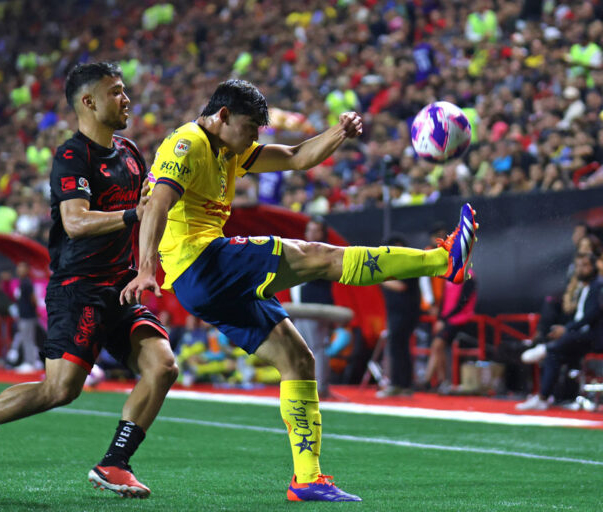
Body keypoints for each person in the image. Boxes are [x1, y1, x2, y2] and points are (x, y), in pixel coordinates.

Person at [121, 79, 478, 502]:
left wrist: (339, 132)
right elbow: (157, 205)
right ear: (223, 116)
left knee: (297, 359)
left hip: (204, 281)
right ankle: (442, 262)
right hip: (202, 262)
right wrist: (146, 270)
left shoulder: (229, 148)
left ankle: (307, 479)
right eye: (250, 128)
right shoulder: (187, 144)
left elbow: (296, 157)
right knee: (319, 256)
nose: (253, 139)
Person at [0, 62, 176, 499]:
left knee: (163, 366)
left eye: (124, 90)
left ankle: (115, 463)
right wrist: (134, 213)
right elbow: (76, 222)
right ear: (89, 102)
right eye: (116, 92)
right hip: (78, 288)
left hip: (120, 286)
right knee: (60, 390)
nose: (126, 99)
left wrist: (144, 268)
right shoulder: (72, 156)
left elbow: (145, 217)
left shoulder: (131, 152)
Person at [517, 252, 603, 410]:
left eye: (585, 265)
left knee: (564, 339)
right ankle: (543, 398)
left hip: (593, 337)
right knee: (554, 355)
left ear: (594, 266)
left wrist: (566, 329)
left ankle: (545, 348)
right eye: (578, 266)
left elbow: (591, 316)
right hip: (578, 337)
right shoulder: (582, 288)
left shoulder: (599, 286)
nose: (581, 269)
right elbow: (577, 316)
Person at [290, 216, 336, 397]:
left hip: (316, 305)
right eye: (310, 230)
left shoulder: (325, 251)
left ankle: (320, 387)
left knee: (317, 346)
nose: (312, 234)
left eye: (316, 230)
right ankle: (305, 384)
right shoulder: (304, 250)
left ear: (323, 233)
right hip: (302, 307)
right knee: (303, 347)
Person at [376, 236, 421, 398]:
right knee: (399, 347)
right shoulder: (394, 266)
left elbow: (401, 286)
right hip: (396, 312)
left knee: (398, 347)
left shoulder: (407, 263)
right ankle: (402, 384)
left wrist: (379, 278)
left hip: (405, 312)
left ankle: (400, 384)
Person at [422, 271, 478, 392]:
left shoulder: (468, 276)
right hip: (448, 319)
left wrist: (444, 320)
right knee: (437, 347)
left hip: (459, 319)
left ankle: (431, 381)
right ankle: (439, 381)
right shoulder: (450, 275)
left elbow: (462, 302)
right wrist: (440, 319)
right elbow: (444, 299)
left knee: (437, 345)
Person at [8, 262, 41, 372]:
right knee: (26, 338)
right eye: (18, 267)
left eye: (22, 267)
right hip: (23, 315)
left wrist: (34, 310)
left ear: (27, 270)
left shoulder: (27, 283)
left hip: (28, 315)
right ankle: (30, 361)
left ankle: (30, 362)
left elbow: (33, 298)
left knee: (28, 339)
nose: (19, 269)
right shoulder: (21, 282)